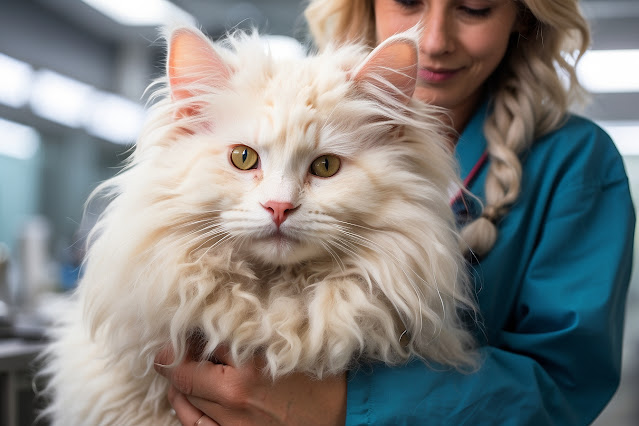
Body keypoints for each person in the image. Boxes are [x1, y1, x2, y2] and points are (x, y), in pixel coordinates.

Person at [154, 0, 636, 424]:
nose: (433, 40)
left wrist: (346, 406)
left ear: (523, 16)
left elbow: (565, 389)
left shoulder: (577, 162)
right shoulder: (280, 98)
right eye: (407, 1)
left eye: (474, 8)